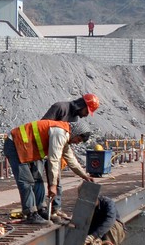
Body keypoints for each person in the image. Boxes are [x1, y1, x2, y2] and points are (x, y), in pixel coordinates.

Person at [3, 119, 94, 225]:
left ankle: (41, 210)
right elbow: (54, 160)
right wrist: (53, 185)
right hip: (15, 143)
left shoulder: (64, 136)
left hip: (27, 148)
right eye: (78, 139)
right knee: (26, 181)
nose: (77, 143)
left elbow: (71, 159)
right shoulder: (59, 133)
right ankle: (31, 214)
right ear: (76, 133)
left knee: (38, 179)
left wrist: (84, 176)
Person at [41, 93, 100, 221]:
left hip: (58, 150)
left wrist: (83, 174)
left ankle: (56, 209)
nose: (85, 115)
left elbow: (66, 144)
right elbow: (44, 127)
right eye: (86, 111)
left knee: (57, 182)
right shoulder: (60, 107)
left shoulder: (74, 118)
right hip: (45, 150)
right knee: (39, 181)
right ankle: (38, 210)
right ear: (82, 105)